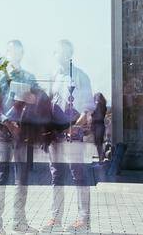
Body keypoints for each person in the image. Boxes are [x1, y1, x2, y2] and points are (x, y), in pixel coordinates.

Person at [0, 39, 39, 234]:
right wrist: (8, 121)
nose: (15, 55)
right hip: (3, 132)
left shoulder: (29, 78)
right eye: (11, 51)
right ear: (7, 54)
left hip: (23, 133)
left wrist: (33, 99)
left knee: (22, 178)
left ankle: (19, 223)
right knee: (0, 177)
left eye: (18, 52)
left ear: (22, 54)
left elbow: (40, 101)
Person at [45, 39, 96, 232]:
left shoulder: (81, 76)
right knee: (56, 175)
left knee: (79, 175)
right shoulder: (52, 76)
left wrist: (75, 126)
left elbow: (87, 107)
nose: (62, 55)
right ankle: (56, 218)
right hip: (55, 133)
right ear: (55, 54)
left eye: (66, 52)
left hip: (73, 132)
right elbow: (48, 103)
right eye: (58, 52)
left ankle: (84, 219)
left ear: (70, 54)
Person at [90, 92, 108, 165]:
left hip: (97, 125)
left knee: (98, 143)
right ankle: (101, 157)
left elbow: (96, 115)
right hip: (100, 124)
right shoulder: (103, 106)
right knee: (99, 143)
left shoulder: (98, 105)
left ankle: (101, 158)